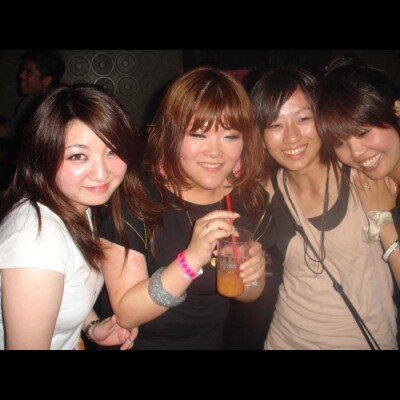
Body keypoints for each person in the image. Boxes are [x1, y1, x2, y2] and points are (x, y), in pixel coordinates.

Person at [95, 66, 271, 350]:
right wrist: (191, 260)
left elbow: (247, 294)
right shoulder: (137, 195)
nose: (215, 152)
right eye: (199, 134)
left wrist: (254, 275)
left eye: (230, 136)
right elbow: (127, 313)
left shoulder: (250, 199)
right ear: (172, 135)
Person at [250, 66, 398, 349]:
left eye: (303, 118)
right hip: (285, 340)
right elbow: (246, 286)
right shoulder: (264, 193)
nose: (291, 137)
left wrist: (384, 219)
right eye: (275, 125)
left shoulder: (366, 173)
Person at [0, 84, 142, 350]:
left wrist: (92, 326)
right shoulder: (35, 242)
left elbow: (67, 289)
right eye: (78, 156)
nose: (101, 173)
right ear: (44, 155)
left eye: (112, 151)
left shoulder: (78, 206)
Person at [315, 58, 400, 344]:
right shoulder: (367, 180)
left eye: (363, 132)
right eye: (340, 142)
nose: (357, 153)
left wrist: (383, 221)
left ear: (396, 111)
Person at [0, 50, 66, 190]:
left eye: (28, 72)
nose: (21, 75)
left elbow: (7, 132)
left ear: (46, 80)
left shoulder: (44, 106)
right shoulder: (32, 101)